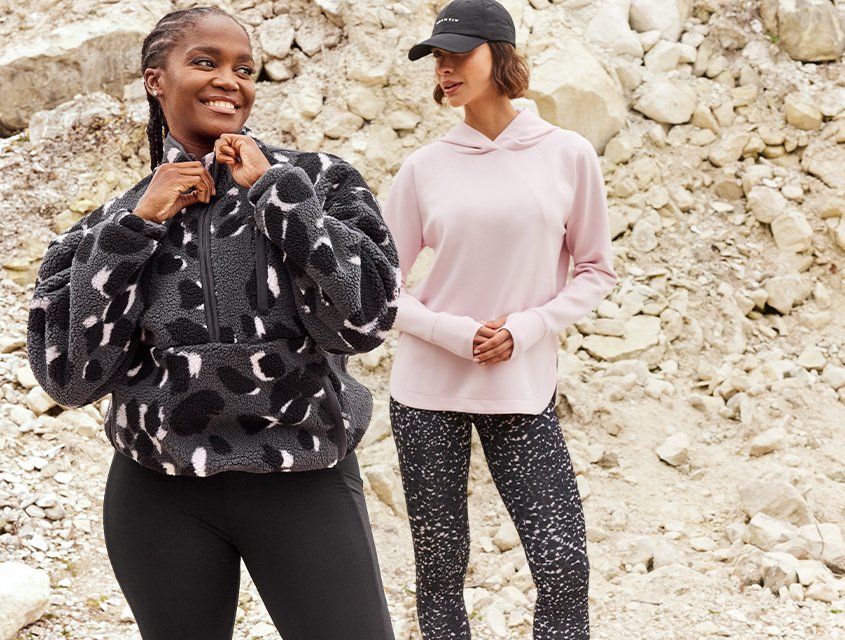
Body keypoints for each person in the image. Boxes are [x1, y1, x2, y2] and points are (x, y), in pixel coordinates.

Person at [26, 7, 399, 640]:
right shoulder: (110, 222)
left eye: (245, 69)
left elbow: (365, 322)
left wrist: (278, 196)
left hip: (302, 477)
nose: (230, 80)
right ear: (155, 80)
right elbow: (70, 378)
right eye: (205, 62)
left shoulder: (319, 183)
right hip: (158, 494)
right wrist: (136, 228)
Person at [382, 0, 618, 637]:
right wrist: (455, 334)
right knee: (440, 571)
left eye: (460, 54)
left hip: (521, 385)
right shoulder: (424, 167)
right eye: (438, 57)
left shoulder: (567, 154)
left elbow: (595, 269)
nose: (445, 68)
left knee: (563, 565)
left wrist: (527, 328)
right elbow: (380, 288)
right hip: (426, 390)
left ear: (501, 56)